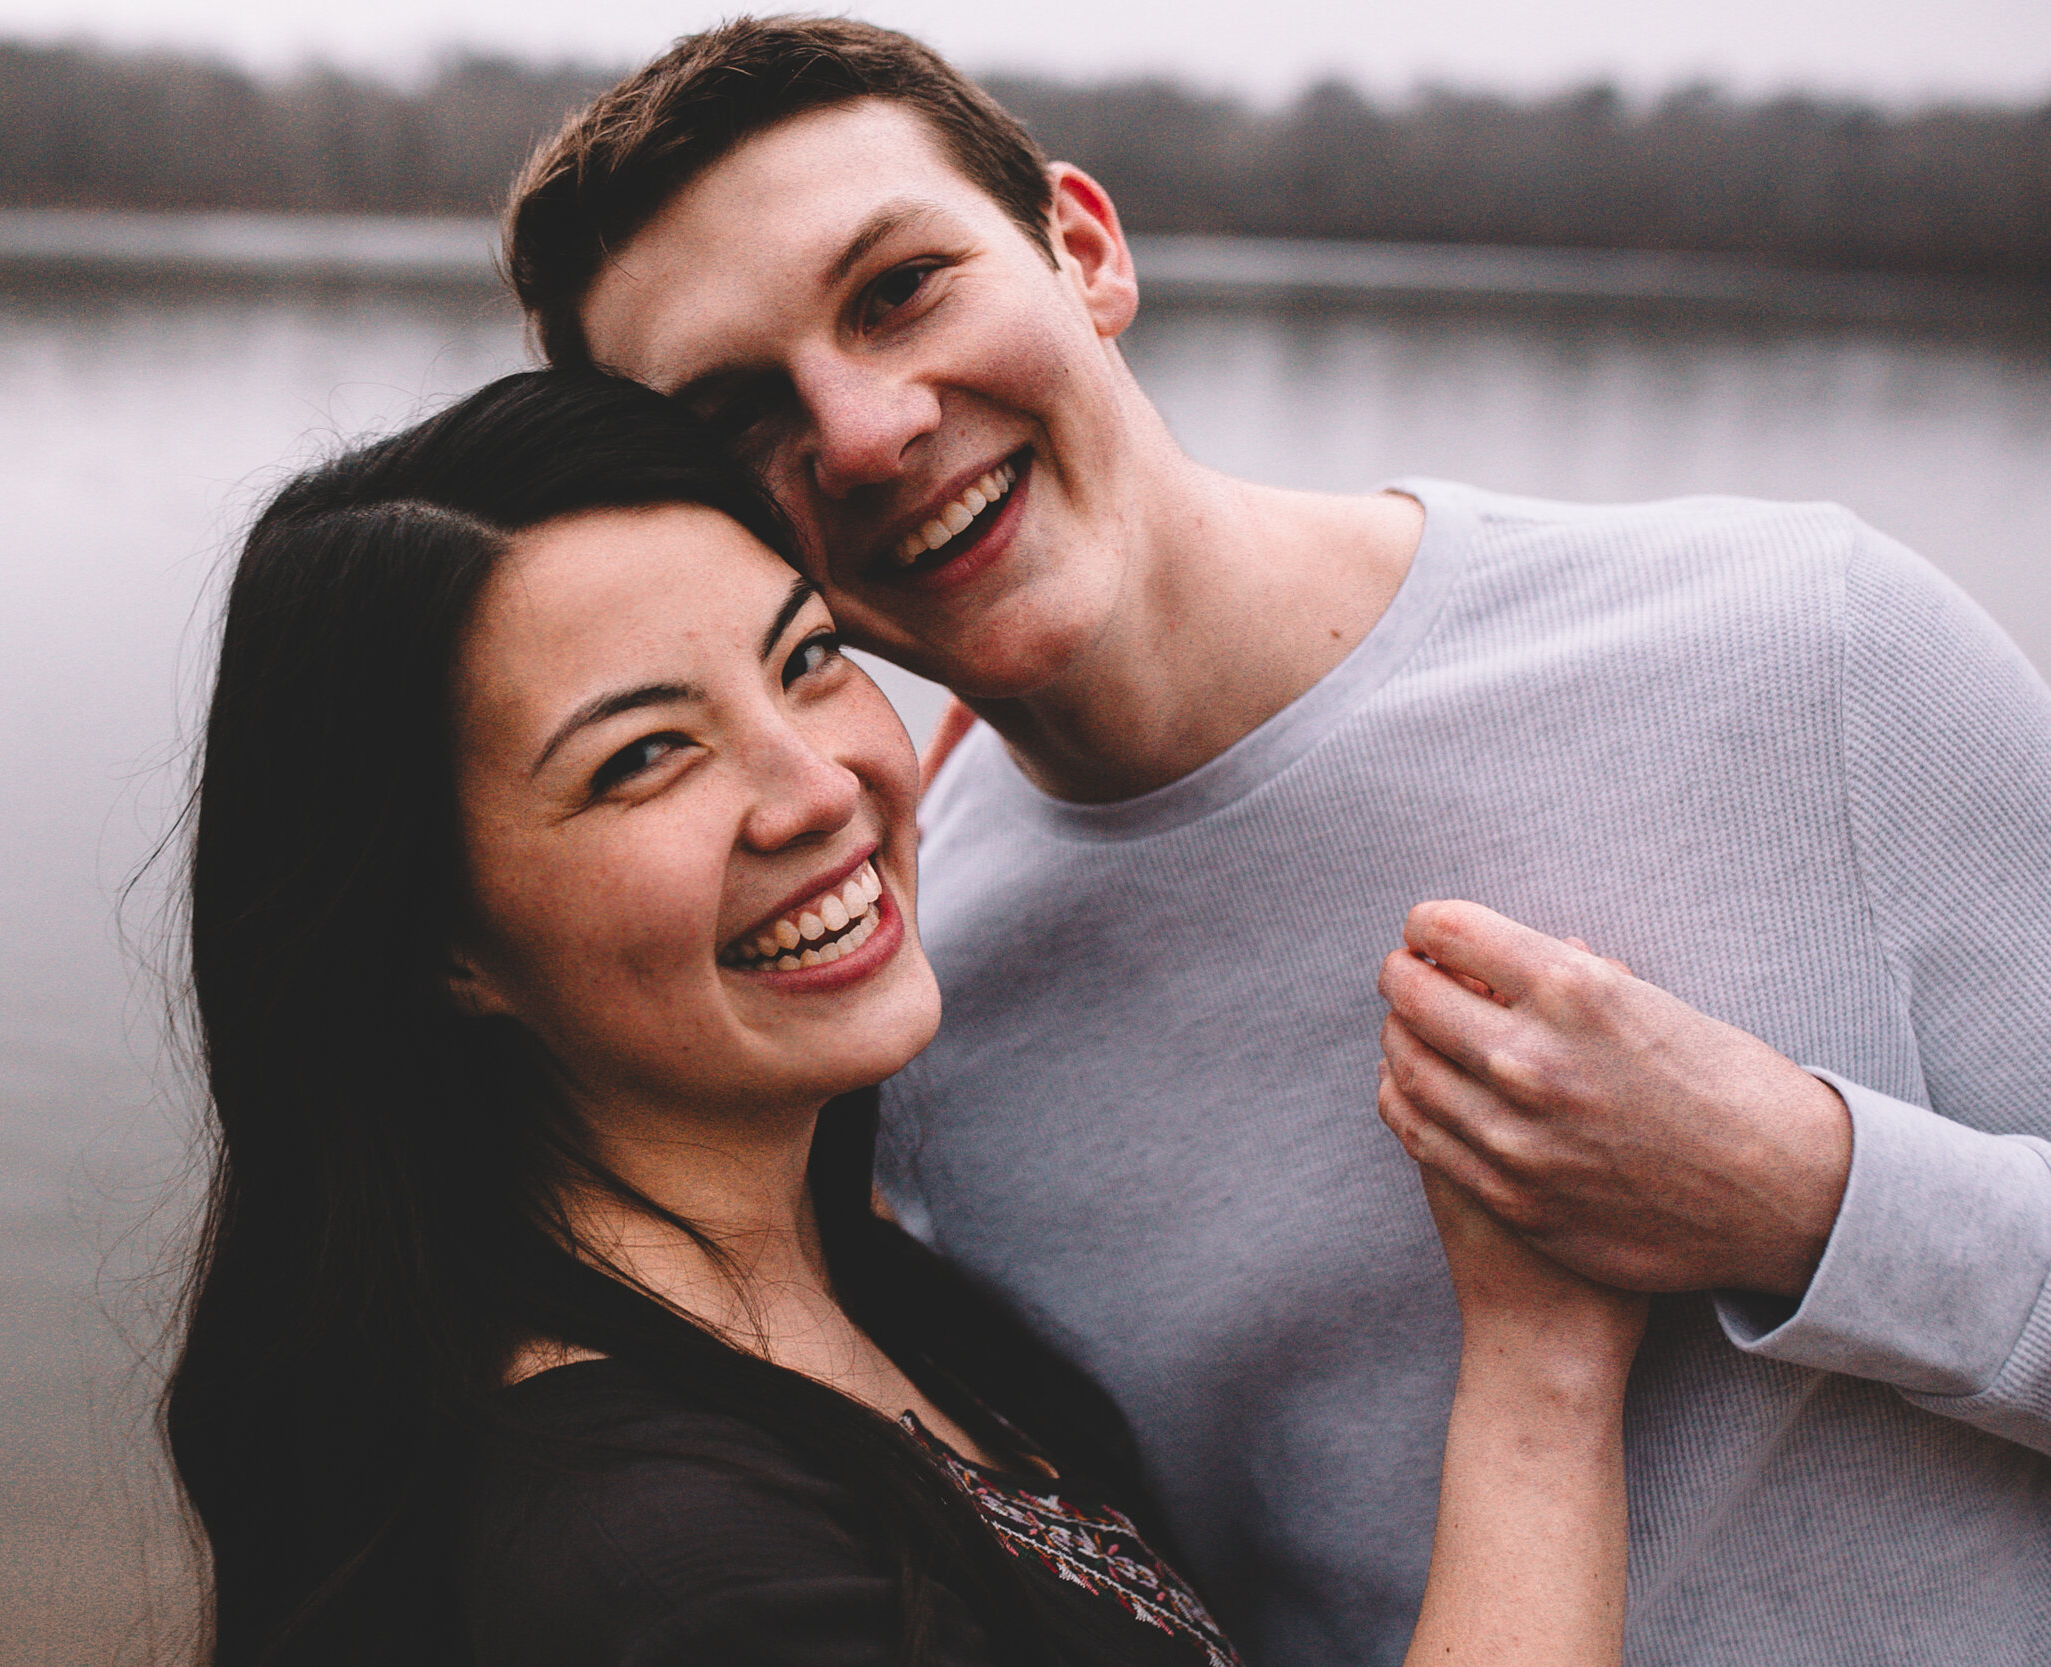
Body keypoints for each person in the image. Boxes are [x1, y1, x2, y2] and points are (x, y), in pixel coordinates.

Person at [499, 18, 2051, 1666]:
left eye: (900, 289)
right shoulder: (894, 992)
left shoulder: (1800, 645)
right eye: (742, 413)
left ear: (1083, 250)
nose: (868, 428)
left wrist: (1805, 1197)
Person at [162, 367, 1648, 1666]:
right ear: (440, 942)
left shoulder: (859, 1293)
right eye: (644, 759)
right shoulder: (676, 1573)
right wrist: (1542, 1369)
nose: (821, 785)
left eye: (806, 661)